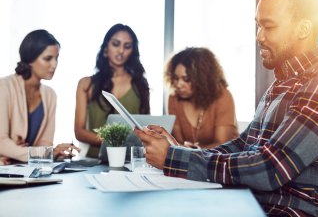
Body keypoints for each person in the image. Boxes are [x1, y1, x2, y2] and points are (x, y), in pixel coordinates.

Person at [135, 0, 318, 216]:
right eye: (258, 26)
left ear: (303, 29)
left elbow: (269, 168)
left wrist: (174, 159)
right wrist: (181, 151)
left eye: (269, 27)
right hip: (252, 205)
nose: (259, 36)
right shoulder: (284, 82)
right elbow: (243, 145)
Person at [0, 29, 80, 165]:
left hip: (25, 168)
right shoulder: (4, 87)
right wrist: (42, 154)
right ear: (30, 59)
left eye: (56, 58)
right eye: (48, 58)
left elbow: (45, 144)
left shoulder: (50, 95)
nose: (54, 65)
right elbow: (1, 142)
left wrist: (54, 153)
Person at [74, 23, 150, 158]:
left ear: (132, 51)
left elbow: (145, 128)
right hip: (95, 160)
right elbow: (79, 132)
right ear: (105, 48)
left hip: (130, 160)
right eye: (116, 44)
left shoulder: (140, 85)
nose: (121, 50)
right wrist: (114, 142)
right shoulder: (86, 84)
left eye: (127, 46)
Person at [164, 47, 239, 149]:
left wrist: (194, 152)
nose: (179, 84)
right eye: (176, 78)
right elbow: (178, 143)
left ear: (202, 79)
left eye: (186, 79)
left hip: (224, 160)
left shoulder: (223, 96)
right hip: (190, 161)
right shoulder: (174, 98)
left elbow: (222, 144)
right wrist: (188, 151)